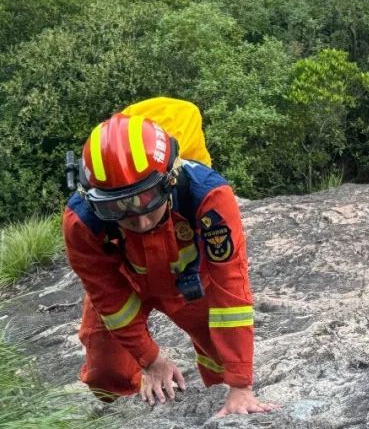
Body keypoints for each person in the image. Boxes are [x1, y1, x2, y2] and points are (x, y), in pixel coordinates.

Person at [62, 100, 277, 416]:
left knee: (221, 358)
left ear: (169, 180)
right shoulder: (81, 222)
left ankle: (218, 391)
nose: (139, 220)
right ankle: (123, 414)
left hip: (186, 279)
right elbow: (108, 296)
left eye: (147, 199)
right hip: (125, 281)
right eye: (117, 207)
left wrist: (240, 386)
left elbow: (230, 289)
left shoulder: (209, 196)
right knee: (106, 372)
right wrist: (150, 360)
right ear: (94, 199)